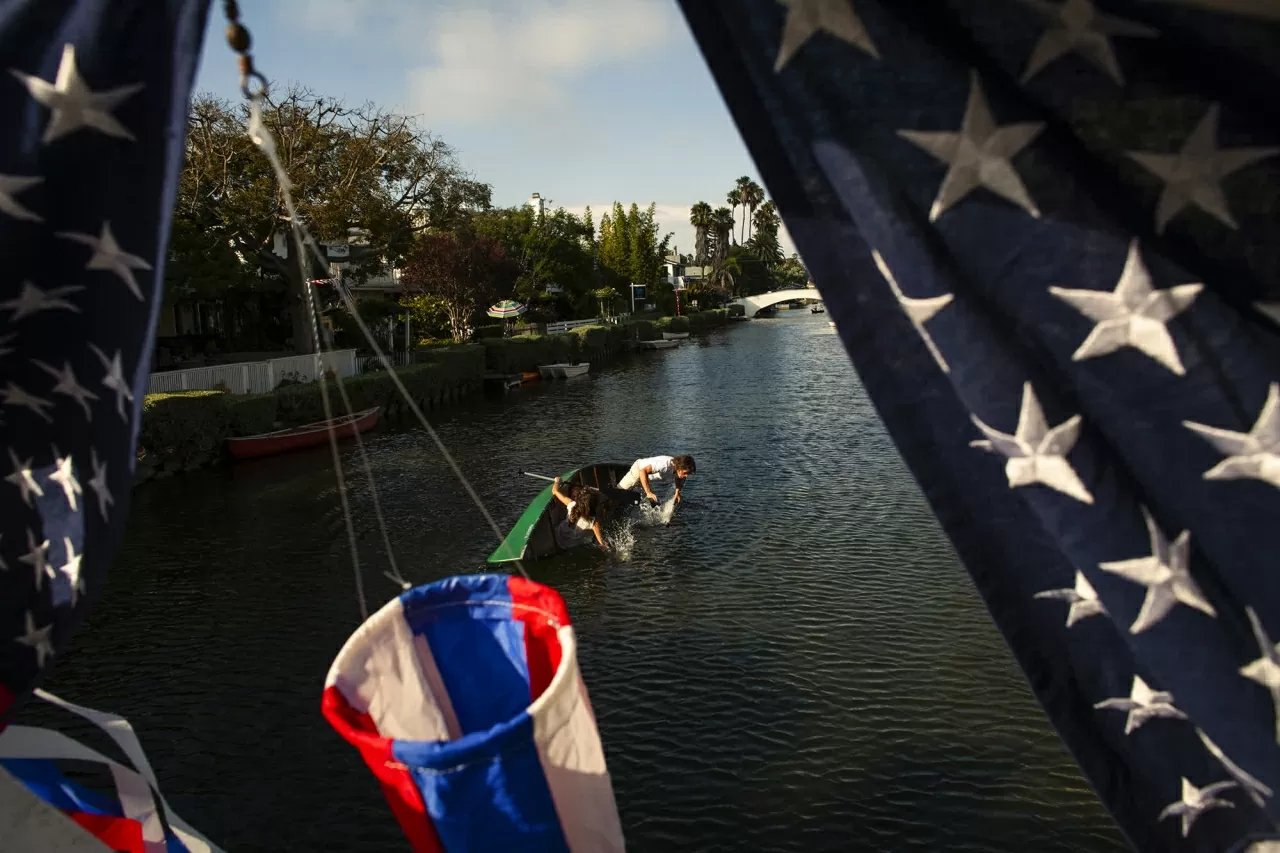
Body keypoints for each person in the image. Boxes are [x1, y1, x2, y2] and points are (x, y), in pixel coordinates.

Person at [551, 476, 610, 552]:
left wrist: (557, 481)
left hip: (558, 537)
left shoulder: (571, 504)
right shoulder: (593, 522)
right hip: (571, 545)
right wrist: (603, 545)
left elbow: (555, 491)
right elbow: (602, 542)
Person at [618, 454, 696, 505]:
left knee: (636, 497)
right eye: (685, 473)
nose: (686, 476)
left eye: (688, 474)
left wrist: (677, 493)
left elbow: (680, 479)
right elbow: (643, 471)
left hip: (647, 476)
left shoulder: (679, 472)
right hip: (639, 470)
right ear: (680, 467)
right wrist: (648, 492)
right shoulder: (665, 465)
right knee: (620, 491)